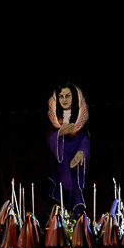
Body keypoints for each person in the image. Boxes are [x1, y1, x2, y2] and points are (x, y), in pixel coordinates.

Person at [47, 82, 90, 219]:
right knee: (64, 185)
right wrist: (58, 134)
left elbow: (85, 138)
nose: (64, 99)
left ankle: (77, 213)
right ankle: (60, 213)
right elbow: (49, 137)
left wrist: (81, 152)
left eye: (68, 96)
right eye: (61, 96)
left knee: (74, 186)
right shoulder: (53, 118)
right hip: (60, 157)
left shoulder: (80, 117)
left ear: (74, 97)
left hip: (75, 158)